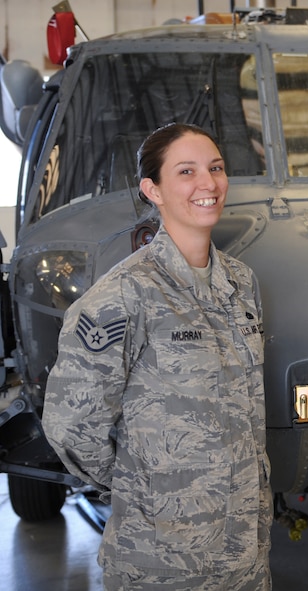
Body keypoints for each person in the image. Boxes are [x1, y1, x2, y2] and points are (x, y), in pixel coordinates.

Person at [42, 123, 272, 590]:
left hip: (246, 555)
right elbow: (71, 428)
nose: (207, 184)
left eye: (216, 168)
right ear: (153, 190)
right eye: (186, 172)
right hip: (160, 560)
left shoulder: (241, 283)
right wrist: (142, 484)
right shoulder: (121, 297)